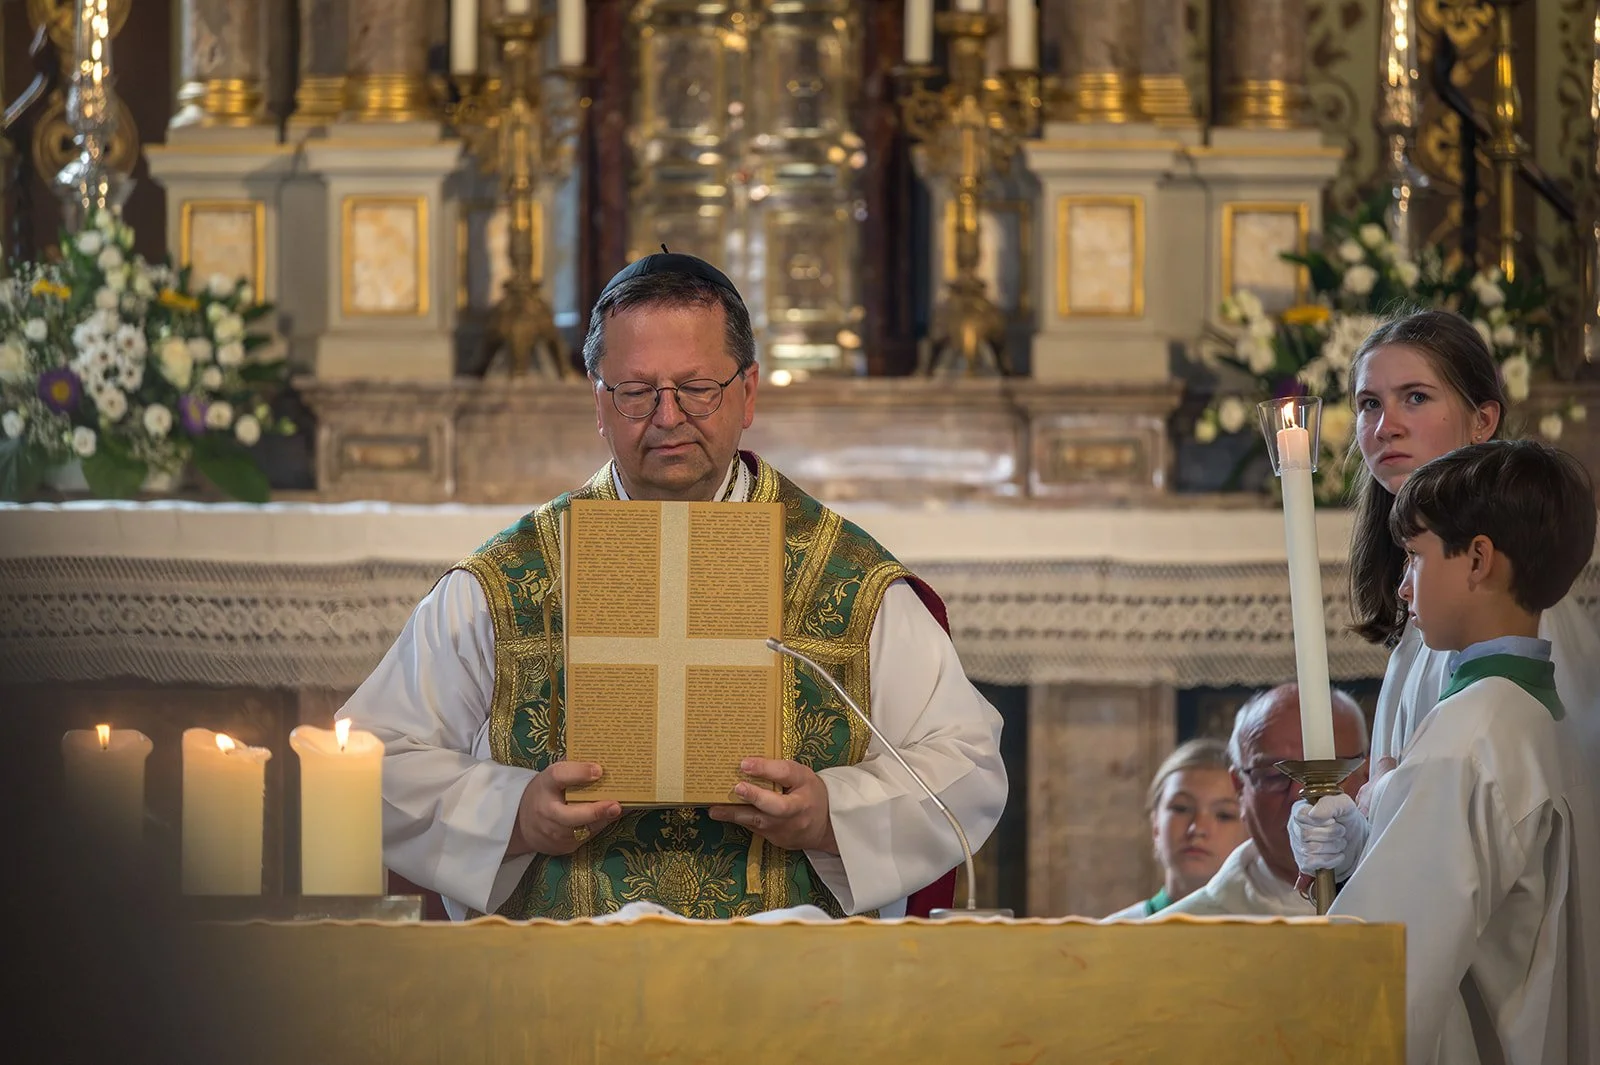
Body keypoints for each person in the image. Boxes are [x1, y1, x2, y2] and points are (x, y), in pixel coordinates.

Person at [338, 251, 1007, 921]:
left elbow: (966, 763)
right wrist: (514, 816)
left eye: (697, 387)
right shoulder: (509, 583)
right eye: (636, 391)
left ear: (747, 393)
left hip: (794, 993)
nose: (667, 416)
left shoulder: (848, 580)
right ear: (598, 401)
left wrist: (831, 815)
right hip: (565, 991)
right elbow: (371, 759)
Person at [1296, 440, 1600, 1064]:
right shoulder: (1546, 716)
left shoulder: (1466, 738)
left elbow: (1384, 975)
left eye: (1413, 557)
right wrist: (1370, 831)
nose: (1403, 588)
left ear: (1478, 560)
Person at [1342, 310, 1600, 775]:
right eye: (1369, 404)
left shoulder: (1515, 605)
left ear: (1482, 420)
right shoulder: (1433, 593)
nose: (1385, 428)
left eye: (1416, 397)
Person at [1157, 684, 1368, 918]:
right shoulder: (1176, 930)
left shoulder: (1405, 904)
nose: (1303, 796)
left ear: (1366, 776)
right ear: (1239, 787)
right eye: (1273, 775)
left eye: (1331, 774)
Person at [1105, 738, 1249, 919]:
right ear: (1156, 824)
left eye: (1223, 815)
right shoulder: (1113, 935)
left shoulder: (1269, 932)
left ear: (1250, 832)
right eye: (1181, 808)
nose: (1197, 828)